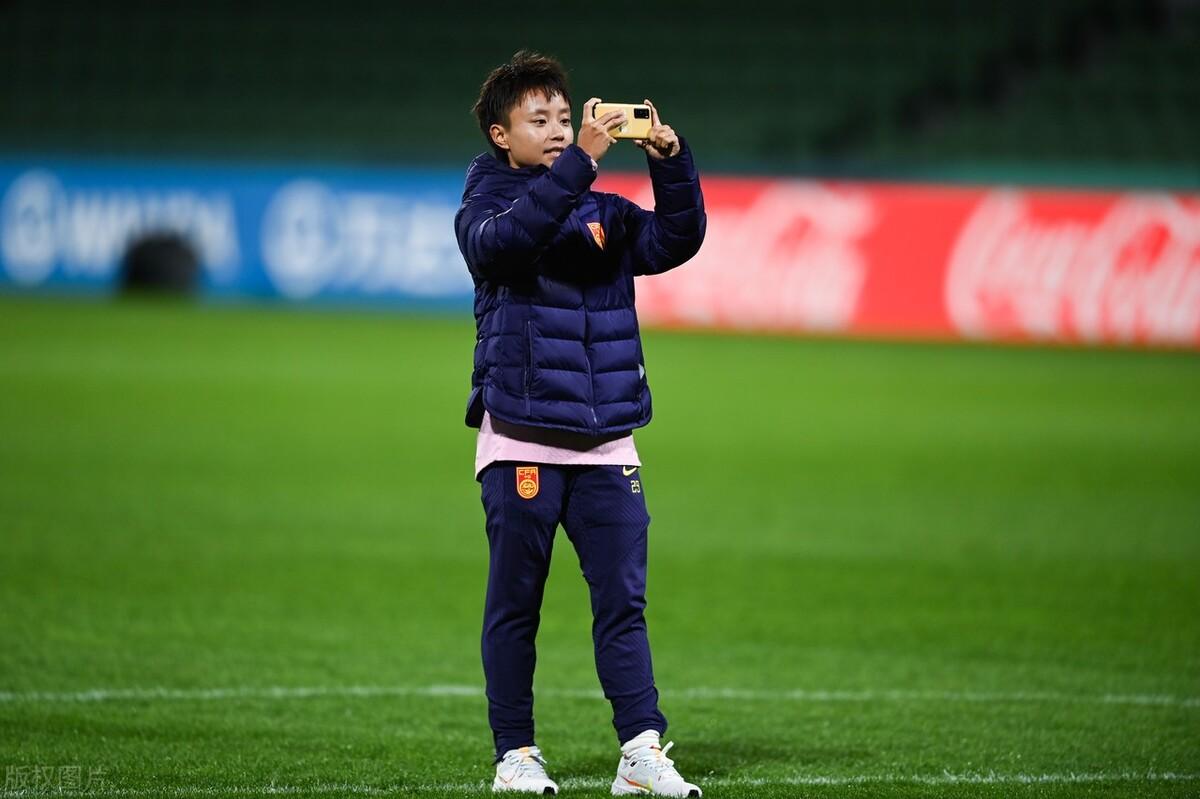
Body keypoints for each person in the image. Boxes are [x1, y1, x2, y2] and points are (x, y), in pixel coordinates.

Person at [454, 50, 706, 797]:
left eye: (566, 117)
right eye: (540, 120)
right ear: (502, 135)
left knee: (623, 605)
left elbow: (676, 240)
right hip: (522, 437)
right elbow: (506, 244)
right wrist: (581, 166)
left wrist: (670, 161)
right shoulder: (486, 202)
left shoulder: (604, 210)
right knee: (516, 606)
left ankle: (640, 752)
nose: (560, 130)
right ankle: (516, 756)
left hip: (606, 442)